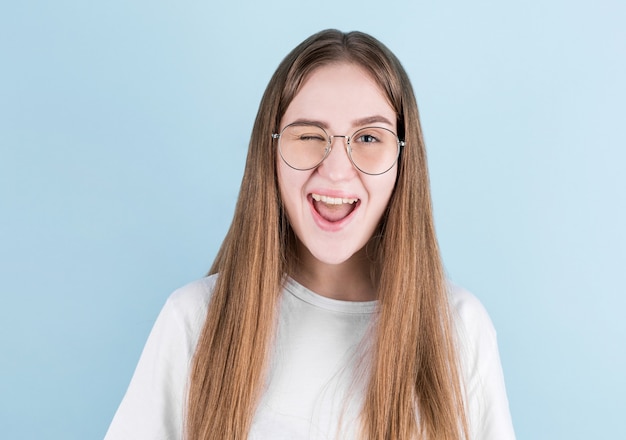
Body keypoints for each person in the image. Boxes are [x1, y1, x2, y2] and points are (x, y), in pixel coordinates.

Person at [105, 29, 515, 440]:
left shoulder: (459, 329)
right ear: (271, 153)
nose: (336, 170)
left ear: (403, 161)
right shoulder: (194, 320)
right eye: (309, 136)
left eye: (369, 137)